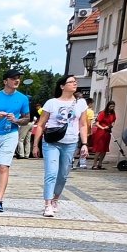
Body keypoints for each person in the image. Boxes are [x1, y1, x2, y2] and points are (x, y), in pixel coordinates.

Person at [33, 75, 90, 217]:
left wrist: (84, 144)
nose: (74, 83)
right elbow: (41, 124)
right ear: (62, 86)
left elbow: (83, 124)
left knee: (63, 175)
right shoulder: (51, 103)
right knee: (51, 173)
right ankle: (47, 204)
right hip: (51, 142)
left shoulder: (81, 103)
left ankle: (55, 199)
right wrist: (35, 145)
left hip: (70, 143)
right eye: (71, 82)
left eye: (75, 81)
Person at [0, 69, 33, 212]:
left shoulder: (22, 98)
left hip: (10, 134)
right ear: (5, 81)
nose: (17, 80)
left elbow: (27, 118)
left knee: (3, 166)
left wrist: (16, 120)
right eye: (13, 78)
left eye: (18, 78)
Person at [88, 100, 116, 168]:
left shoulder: (113, 113)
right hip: (101, 132)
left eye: (113, 107)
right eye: (111, 106)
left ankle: (100, 163)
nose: (112, 108)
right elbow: (97, 123)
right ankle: (94, 164)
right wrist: (103, 127)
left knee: (104, 149)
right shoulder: (103, 113)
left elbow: (113, 121)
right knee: (99, 148)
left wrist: (110, 125)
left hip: (107, 132)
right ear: (108, 106)